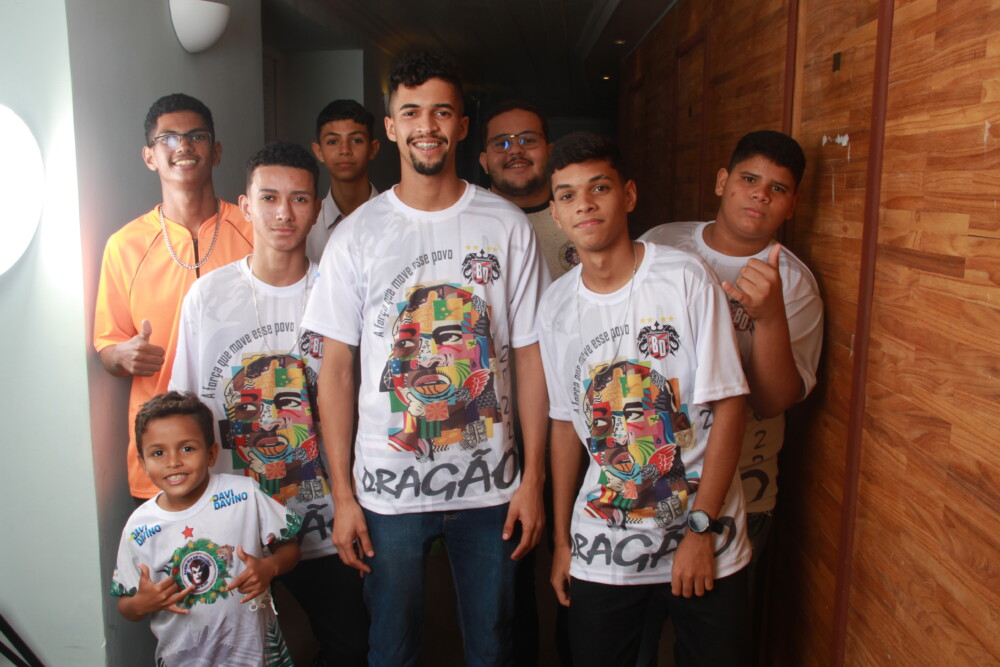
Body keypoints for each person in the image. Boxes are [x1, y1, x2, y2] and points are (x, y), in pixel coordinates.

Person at [301, 50, 551, 666]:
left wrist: (533, 481)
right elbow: (336, 371)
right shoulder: (356, 235)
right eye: (411, 112)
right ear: (391, 127)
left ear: (462, 125)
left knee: (494, 643)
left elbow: (529, 358)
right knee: (390, 646)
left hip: (492, 489)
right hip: (386, 494)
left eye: (441, 112)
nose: (427, 126)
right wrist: (342, 496)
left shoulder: (506, 225)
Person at [537, 132, 752, 666]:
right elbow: (564, 425)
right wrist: (562, 542)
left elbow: (730, 405)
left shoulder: (684, 278)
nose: (584, 204)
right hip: (603, 548)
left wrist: (701, 529)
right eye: (567, 195)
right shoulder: (555, 306)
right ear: (556, 214)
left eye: (599, 188)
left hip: (706, 538)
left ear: (628, 195)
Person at [169, 141, 369, 665]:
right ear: (245, 205)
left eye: (299, 199)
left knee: (352, 646)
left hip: (328, 520)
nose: (284, 213)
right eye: (269, 198)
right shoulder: (207, 298)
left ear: (317, 209)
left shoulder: (341, 292)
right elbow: (183, 415)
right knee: (234, 653)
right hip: (235, 524)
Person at [641, 130, 823, 660]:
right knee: (633, 635)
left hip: (742, 489)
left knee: (709, 645)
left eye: (777, 188)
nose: (760, 195)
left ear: (792, 205)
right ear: (722, 181)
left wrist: (769, 318)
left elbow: (772, 401)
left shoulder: (794, 283)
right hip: (646, 480)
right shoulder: (663, 243)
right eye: (749, 179)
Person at [94, 93, 254, 502]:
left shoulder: (254, 230)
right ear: (150, 156)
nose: (183, 146)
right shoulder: (124, 245)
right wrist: (122, 355)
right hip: (165, 456)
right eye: (168, 138)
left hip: (249, 440)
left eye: (196, 136)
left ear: (216, 151)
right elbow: (108, 347)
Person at [111, 391, 301, 666]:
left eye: (187, 448)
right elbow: (126, 606)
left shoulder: (244, 494)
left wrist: (270, 567)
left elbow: (291, 549)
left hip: (256, 656)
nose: (173, 462)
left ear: (211, 454)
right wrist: (142, 603)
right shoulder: (139, 527)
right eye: (158, 453)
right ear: (143, 463)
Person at [480, 100, 578, 279]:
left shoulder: (580, 215)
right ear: (484, 161)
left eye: (528, 140)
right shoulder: (466, 221)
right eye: (501, 143)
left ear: (550, 152)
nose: (516, 150)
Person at [306, 98, 380, 262]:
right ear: (318, 151)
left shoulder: (396, 219)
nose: (345, 150)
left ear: (373, 149)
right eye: (333, 141)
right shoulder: (307, 227)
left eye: (356, 140)